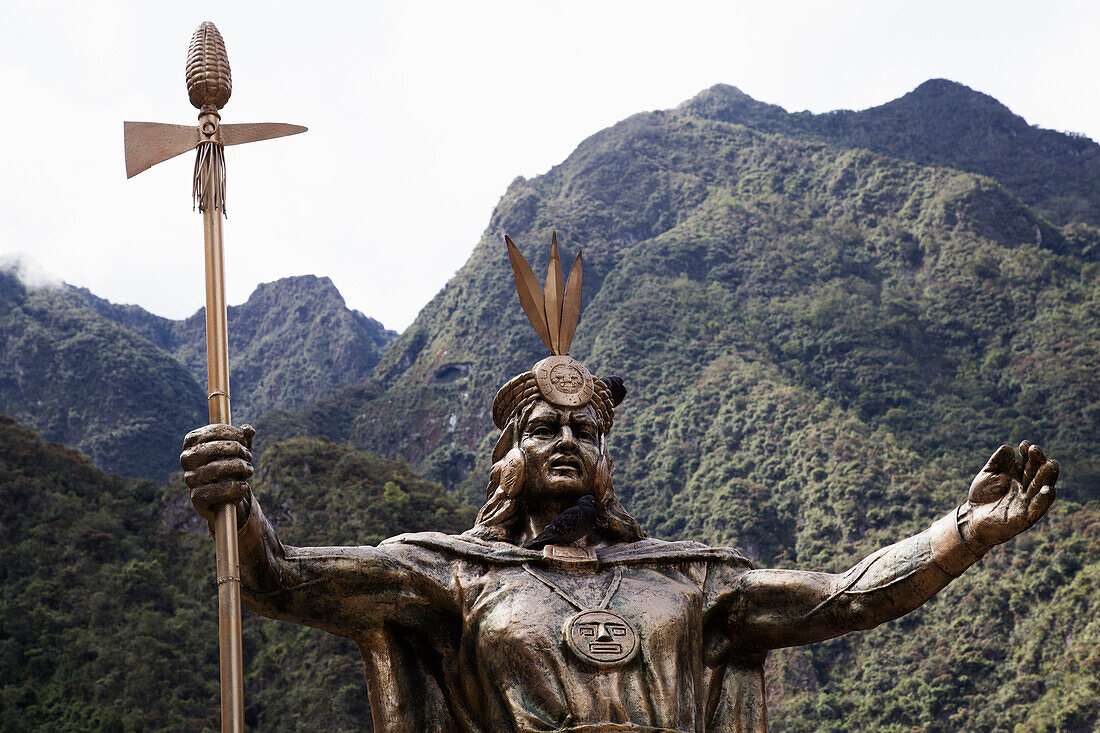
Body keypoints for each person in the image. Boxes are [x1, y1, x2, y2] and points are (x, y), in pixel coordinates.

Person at [182, 237, 1059, 733]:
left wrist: (964, 532)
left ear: (606, 454)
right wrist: (237, 501)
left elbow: (845, 598)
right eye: (544, 429)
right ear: (508, 455)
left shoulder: (689, 578)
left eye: (585, 430)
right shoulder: (452, 573)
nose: (566, 441)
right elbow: (282, 579)